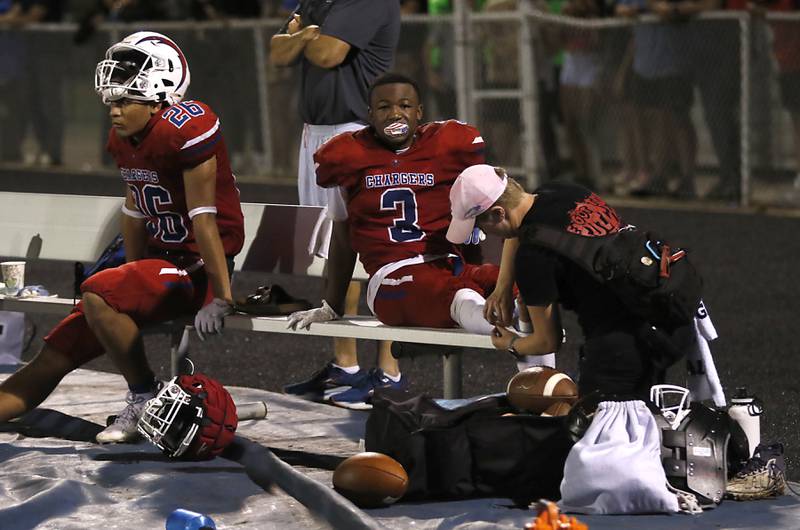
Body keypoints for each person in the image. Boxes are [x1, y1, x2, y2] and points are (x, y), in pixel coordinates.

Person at [0, 31, 244, 443]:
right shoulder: (124, 138)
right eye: (112, 101)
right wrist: (133, 277)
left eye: (125, 101)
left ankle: (143, 394)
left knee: (97, 291)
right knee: (52, 357)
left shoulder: (187, 128)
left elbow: (204, 220)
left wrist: (220, 296)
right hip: (159, 267)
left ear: (160, 96)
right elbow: (133, 214)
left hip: (196, 267)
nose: (114, 111)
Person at [286, 73, 554, 408]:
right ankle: (511, 336)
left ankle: (544, 389)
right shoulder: (349, 157)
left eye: (404, 105)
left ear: (419, 112)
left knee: (522, 284)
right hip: (392, 280)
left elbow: (468, 222)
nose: (394, 113)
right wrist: (332, 304)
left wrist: (477, 272)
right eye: (383, 107)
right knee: (460, 295)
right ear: (369, 115)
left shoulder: (446, 149)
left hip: (446, 267)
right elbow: (342, 237)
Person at [447, 165, 677, 396]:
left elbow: (547, 341)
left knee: (594, 422)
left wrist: (510, 343)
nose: (483, 233)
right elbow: (520, 230)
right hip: (668, 293)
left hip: (629, 338)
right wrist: (503, 288)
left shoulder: (532, 257)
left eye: (479, 225)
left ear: (497, 214)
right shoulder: (560, 190)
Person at [269, 0, 401, 388]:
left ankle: (388, 370)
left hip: (354, 129)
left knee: (373, 249)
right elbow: (277, 53)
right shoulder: (318, 2)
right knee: (330, 249)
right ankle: (346, 365)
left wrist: (302, 34)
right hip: (318, 130)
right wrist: (304, 35)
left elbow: (328, 53)